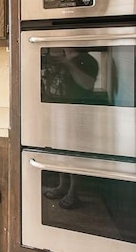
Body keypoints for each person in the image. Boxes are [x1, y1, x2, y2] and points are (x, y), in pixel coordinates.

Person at [41, 47, 99, 209]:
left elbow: (87, 84)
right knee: (61, 151)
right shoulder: (61, 58)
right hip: (58, 110)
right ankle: (62, 186)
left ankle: (74, 193)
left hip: (77, 112)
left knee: (74, 153)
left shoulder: (87, 60)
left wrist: (69, 65)